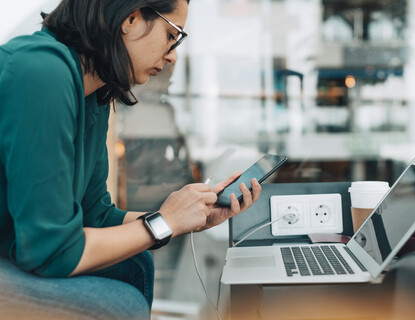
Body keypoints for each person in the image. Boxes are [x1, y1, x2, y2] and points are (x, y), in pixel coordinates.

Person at [0, 0, 261, 318]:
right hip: (22, 250)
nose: (172, 54)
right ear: (131, 18)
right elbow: (51, 250)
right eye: (171, 34)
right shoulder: (41, 71)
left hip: (20, 245)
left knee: (135, 264)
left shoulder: (94, 94)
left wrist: (183, 219)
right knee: (120, 304)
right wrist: (165, 223)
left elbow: (94, 215)